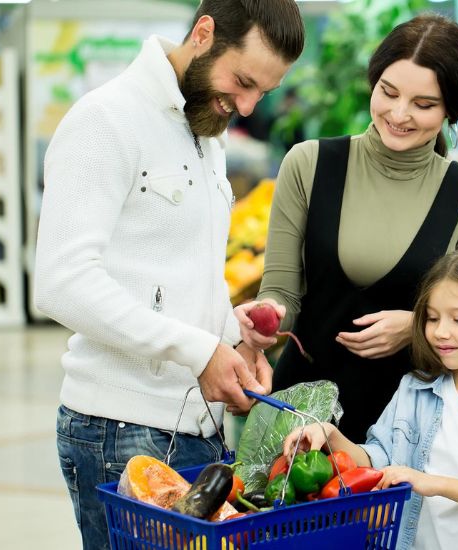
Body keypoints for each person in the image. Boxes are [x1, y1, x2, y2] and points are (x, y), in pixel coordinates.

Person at [32, 1, 304, 548]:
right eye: (243, 81)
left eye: (263, 93)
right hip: (121, 430)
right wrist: (199, 351)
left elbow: (169, 272)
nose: (247, 106)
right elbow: (62, 280)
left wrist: (231, 335)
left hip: (197, 430)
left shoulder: (206, 131)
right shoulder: (106, 120)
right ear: (203, 33)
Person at [235, 14, 458, 442]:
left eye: (423, 104)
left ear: (452, 109)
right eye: (388, 92)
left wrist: (417, 328)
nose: (399, 114)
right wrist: (262, 320)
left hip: (408, 433)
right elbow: (281, 289)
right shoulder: (309, 165)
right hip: (298, 418)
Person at [283, 243, 458, 550]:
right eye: (433, 318)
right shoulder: (414, 390)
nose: (440, 332)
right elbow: (380, 460)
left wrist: (434, 483)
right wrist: (331, 436)